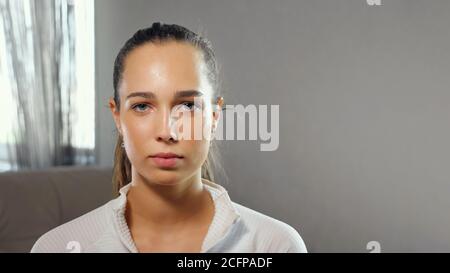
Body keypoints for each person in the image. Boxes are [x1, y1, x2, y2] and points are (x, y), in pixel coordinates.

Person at [31, 22, 307, 253]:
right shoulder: (57, 247)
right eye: (142, 106)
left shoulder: (275, 245)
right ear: (117, 116)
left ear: (214, 117)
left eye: (187, 105)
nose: (167, 132)